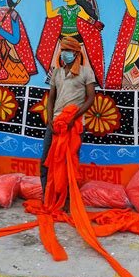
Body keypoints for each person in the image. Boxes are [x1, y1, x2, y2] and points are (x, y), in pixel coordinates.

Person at [40, 36, 96, 196]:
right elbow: (51, 98)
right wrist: (50, 119)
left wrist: (73, 118)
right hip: (55, 124)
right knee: (47, 159)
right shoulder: (56, 72)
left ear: (76, 52)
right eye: (62, 50)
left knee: (69, 162)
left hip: (74, 124)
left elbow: (91, 98)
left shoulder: (86, 72)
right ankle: (48, 196)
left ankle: (68, 200)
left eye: (67, 50)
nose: (64, 53)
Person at [37, 0, 105, 87]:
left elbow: (87, 18)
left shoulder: (78, 9)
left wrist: (95, 23)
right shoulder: (62, 9)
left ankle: (82, 83)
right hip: (62, 42)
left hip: (77, 42)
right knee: (59, 65)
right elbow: (50, 14)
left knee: (81, 64)